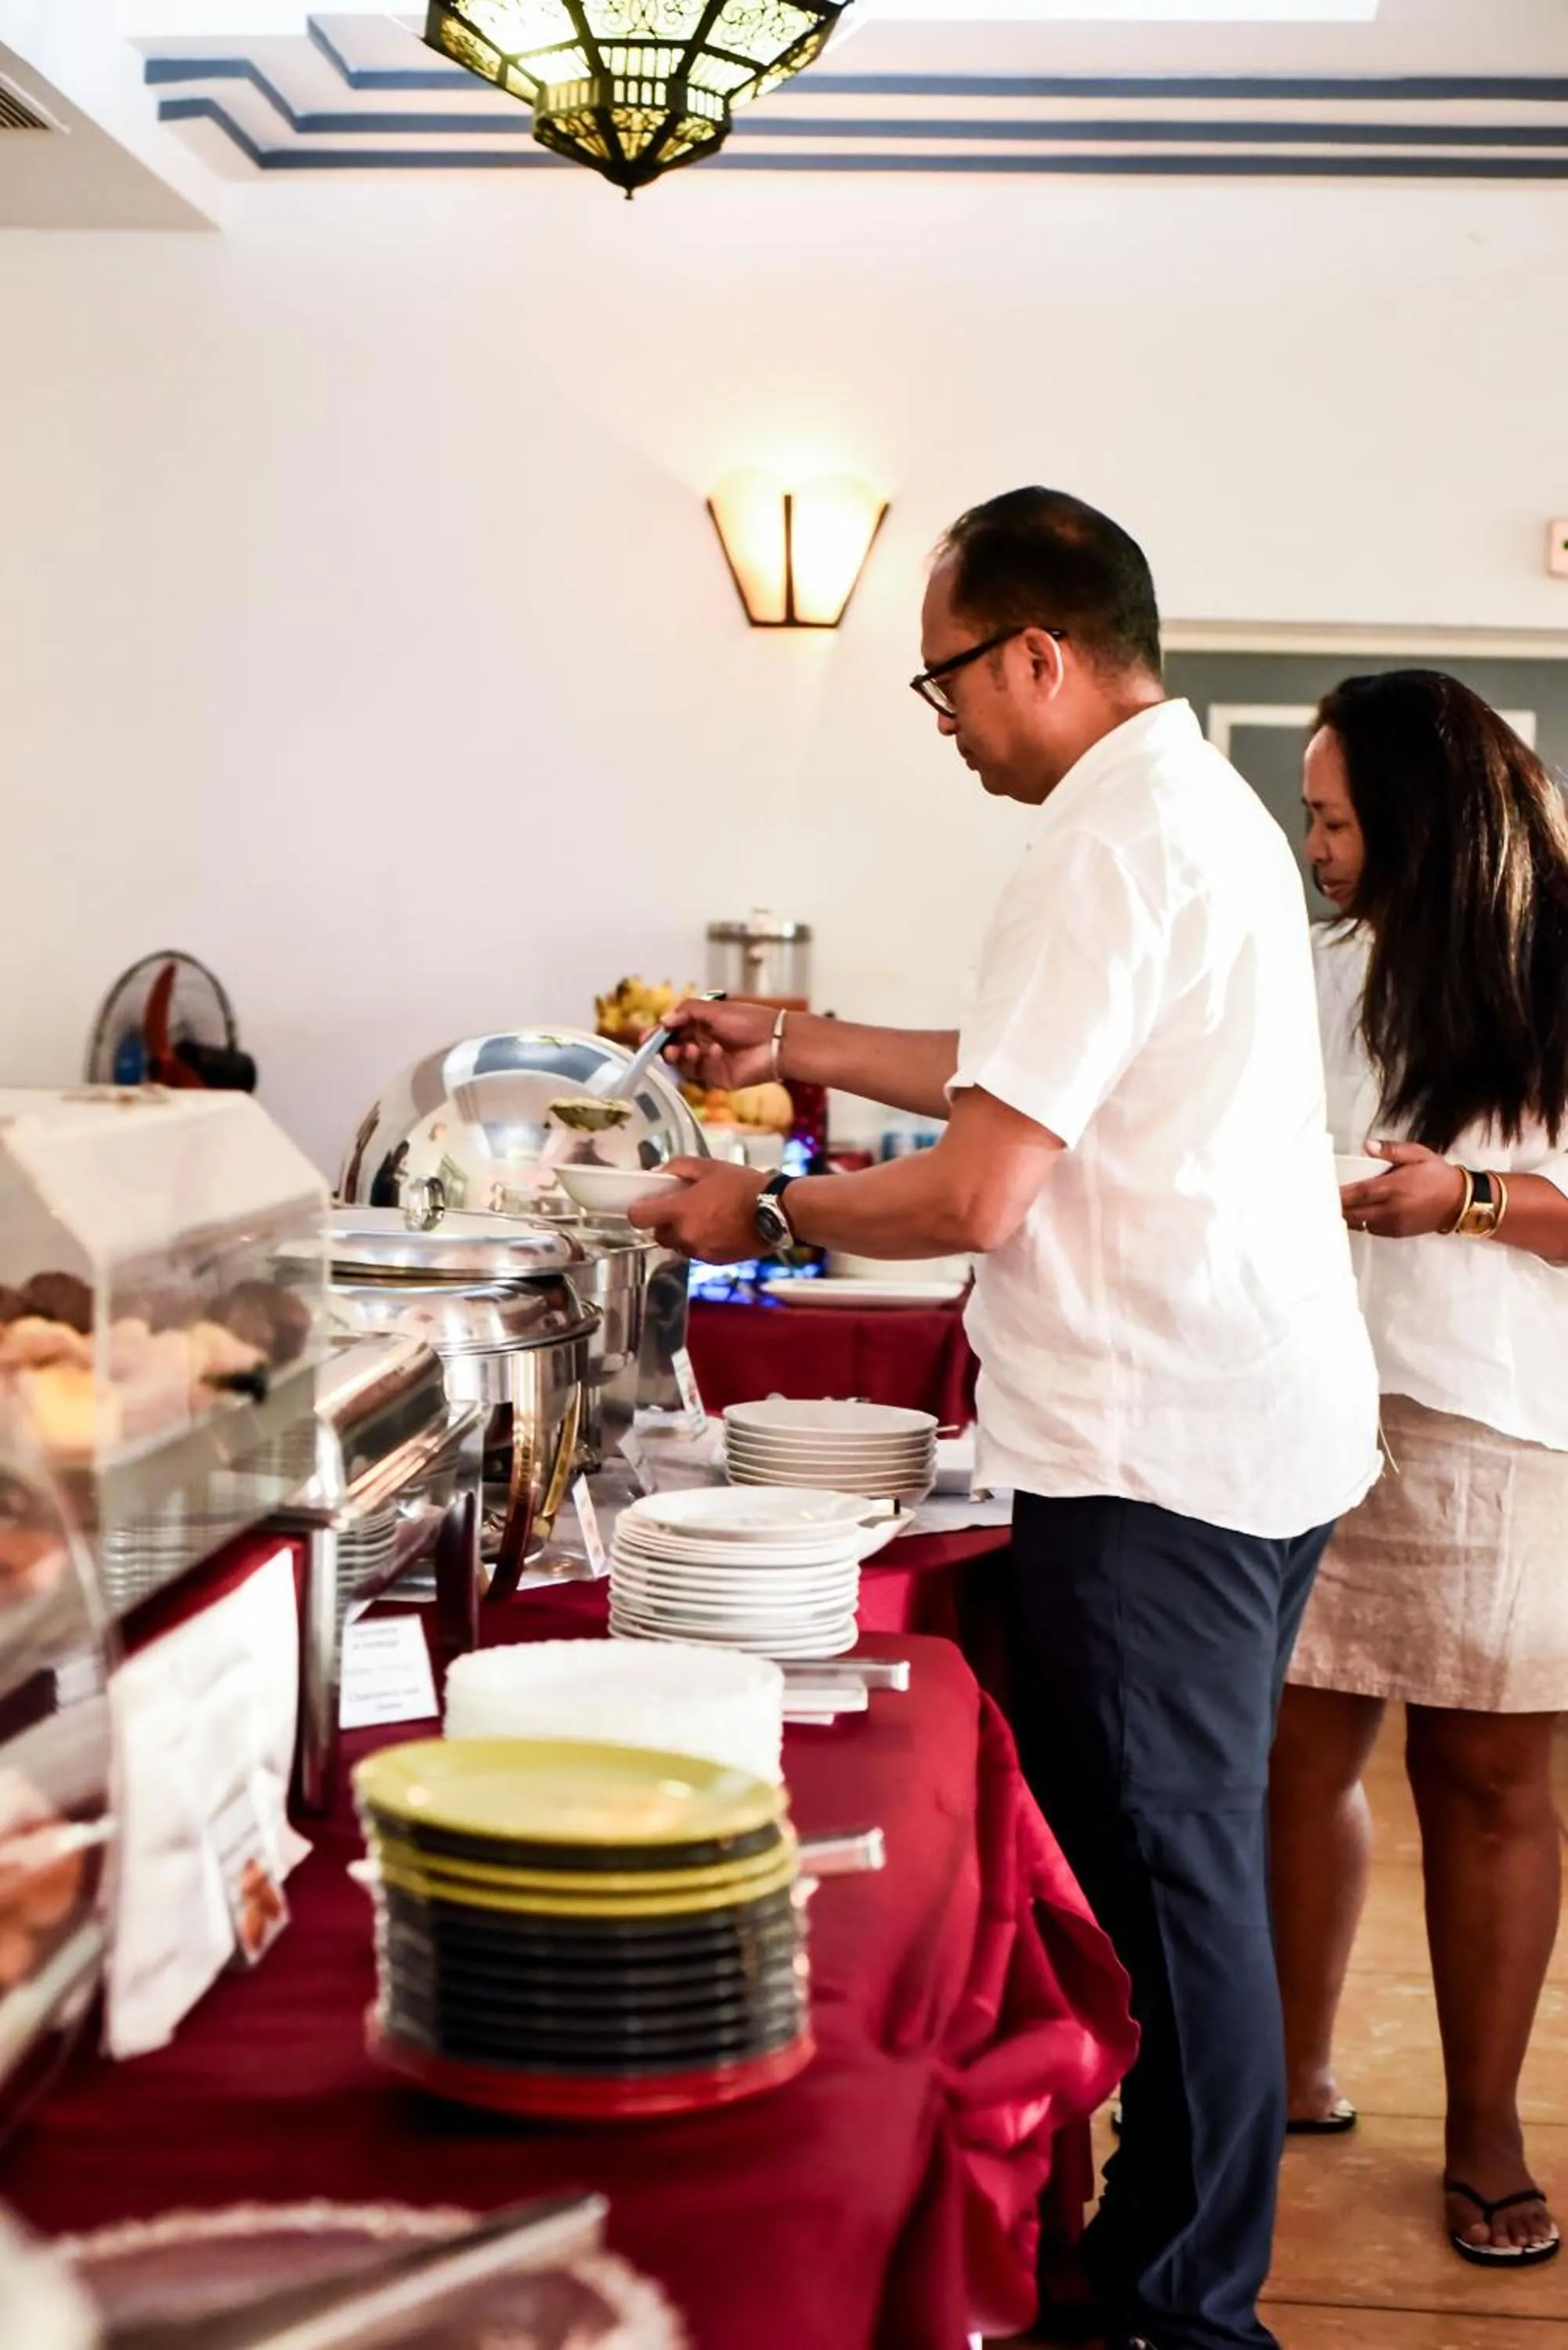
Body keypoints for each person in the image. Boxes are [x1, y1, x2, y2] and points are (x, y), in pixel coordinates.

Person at [630, 486, 1380, 2350]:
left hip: (1160, 1449)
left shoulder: (1105, 845)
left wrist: (765, 1213)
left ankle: (1185, 2308)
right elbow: (1018, 1069)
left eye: (944, 680)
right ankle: (1150, 2254)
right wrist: (792, 1042)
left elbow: (974, 1190)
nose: (944, 717)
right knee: (1164, 1861)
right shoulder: (1177, 802)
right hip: (1233, 1422)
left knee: (1174, 1869)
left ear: (1036, 654)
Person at [1271, 670, 1568, 2270]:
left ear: (1422, 822)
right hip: (1311, 1413)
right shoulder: (1330, 975)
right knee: (1286, 1755)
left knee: (1487, 1787)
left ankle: (1483, 2130)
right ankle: (1293, 2073)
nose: (1312, 843)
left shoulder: (1559, 974)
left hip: (1500, 1430)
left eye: (1329, 815)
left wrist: (1464, 1203)